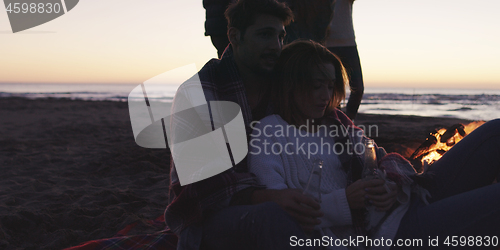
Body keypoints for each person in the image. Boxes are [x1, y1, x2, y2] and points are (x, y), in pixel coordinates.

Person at [248, 40, 500, 249]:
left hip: (404, 202)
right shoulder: (270, 132)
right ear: (292, 86)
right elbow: (281, 212)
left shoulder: (334, 123)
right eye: (316, 86)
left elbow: (377, 159)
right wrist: (344, 201)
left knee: (495, 131)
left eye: (330, 85)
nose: (326, 96)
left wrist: (391, 187)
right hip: (386, 235)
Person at [166, 1, 324, 249]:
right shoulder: (198, 91)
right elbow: (201, 185)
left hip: (286, 202)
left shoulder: (284, 83)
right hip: (211, 219)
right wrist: (269, 197)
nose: (276, 46)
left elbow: (339, 127)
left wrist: (387, 167)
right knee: (271, 217)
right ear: (234, 36)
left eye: (280, 36)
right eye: (265, 35)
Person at [326, 0, 364, 121]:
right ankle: (337, 122)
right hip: (327, 44)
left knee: (358, 88)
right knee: (331, 89)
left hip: (349, 43)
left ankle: (348, 121)